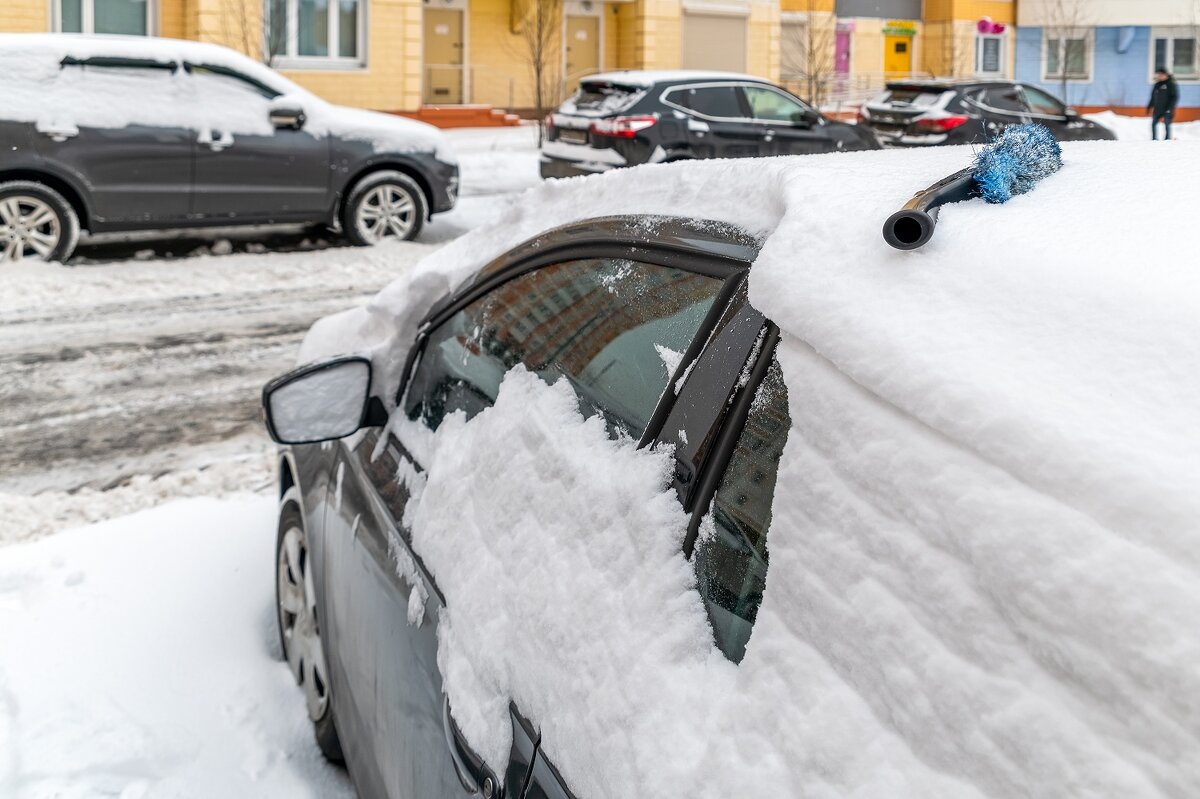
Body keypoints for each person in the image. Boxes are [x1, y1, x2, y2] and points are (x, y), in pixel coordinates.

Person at [1147, 66, 1180, 140]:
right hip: (1157, 109)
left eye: (1161, 75)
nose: (1159, 76)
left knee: (1167, 125)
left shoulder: (1171, 84)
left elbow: (1174, 97)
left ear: (1166, 75)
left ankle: (1167, 139)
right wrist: (1149, 107)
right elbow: (1153, 97)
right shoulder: (1157, 85)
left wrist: (1169, 109)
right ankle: (1154, 139)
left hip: (1167, 109)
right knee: (1153, 124)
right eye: (1158, 75)